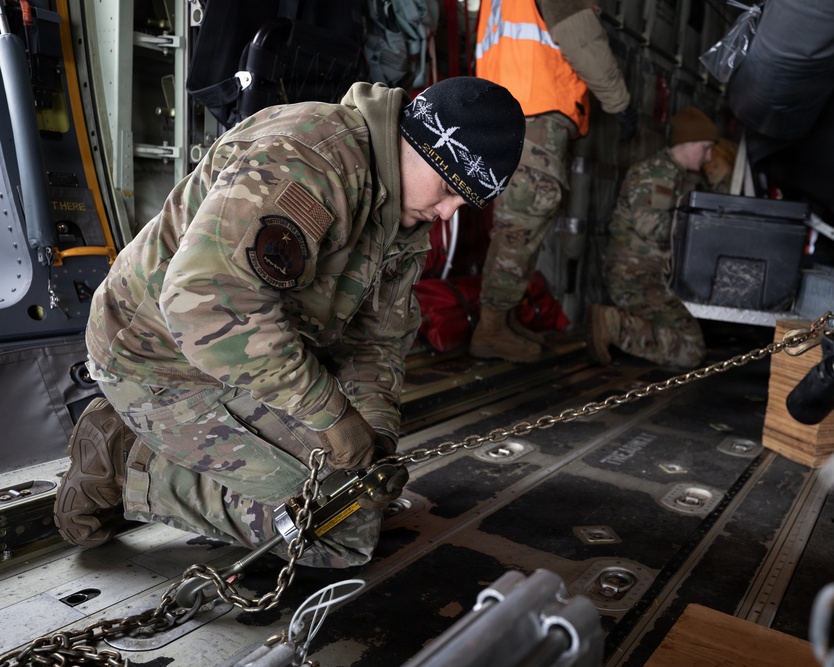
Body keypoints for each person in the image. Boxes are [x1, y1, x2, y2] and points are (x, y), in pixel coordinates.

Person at [53, 77, 525, 568]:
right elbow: (206, 305)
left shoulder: (404, 220)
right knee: (339, 530)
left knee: (356, 498)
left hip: (248, 358)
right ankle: (126, 460)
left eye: (463, 204)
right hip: (159, 361)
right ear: (419, 141)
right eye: (448, 189)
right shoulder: (311, 160)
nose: (447, 213)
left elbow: (376, 344)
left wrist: (375, 437)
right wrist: (332, 418)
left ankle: (156, 449)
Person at [470, 0, 636, 363]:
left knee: (515, 220)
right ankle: (492, 328)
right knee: (522, 223)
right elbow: (581, 39)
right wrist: (620, 103)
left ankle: (503, 319)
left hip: (502, 109)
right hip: (535, 112)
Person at [587, 106, 718, 369]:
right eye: (706, 147)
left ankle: (618, 324)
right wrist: (701, 233)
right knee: (691, 350)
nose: (709, 156)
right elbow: (652, 226)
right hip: (635, 277)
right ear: (687, 142)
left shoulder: (680, 178)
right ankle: (613, 325)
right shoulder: (656, 174)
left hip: (652, 276)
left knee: (692, 333)